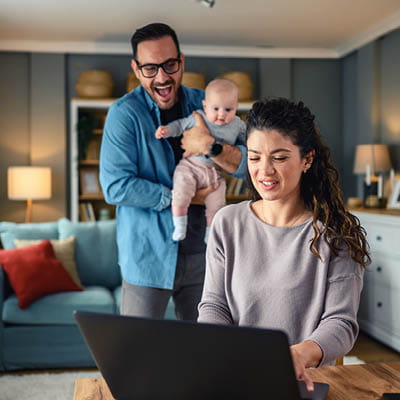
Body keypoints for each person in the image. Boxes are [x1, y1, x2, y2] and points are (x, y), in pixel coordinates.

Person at [198, 97, 370, 390]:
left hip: (301, 382)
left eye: (278, 158)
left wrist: (298, 355)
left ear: (307, 159)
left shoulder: (335, 233)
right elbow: (215, 304)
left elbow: (341, 323)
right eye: (254, 157)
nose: (264, 171)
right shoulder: (227, 222)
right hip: (235, 378)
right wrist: (220, 350)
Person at [99, 22, 246, 321]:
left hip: (206, 255)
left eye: (169, 65)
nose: (163, 77)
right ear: (136, 68)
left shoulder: (210, 103)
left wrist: (211, 146)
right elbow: (115, 186)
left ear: (182, 60)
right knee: (137, 353)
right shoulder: (124, 114)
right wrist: (183, 197)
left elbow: (247, 165)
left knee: (205, 352)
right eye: (150, 68)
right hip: (147, 257)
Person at [155, 78, 246, 243]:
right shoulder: (198, 117)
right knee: (181, 192)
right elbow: (180, 126)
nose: (221, 114)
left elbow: (249, 142)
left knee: (217, 204)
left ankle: (211, 233)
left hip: (214, 172)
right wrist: (167, 130)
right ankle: (180, 226)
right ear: (205, 106)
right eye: (216, 109)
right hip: (190, 166)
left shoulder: (238, 125)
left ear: (236, 107)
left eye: (228, 109)